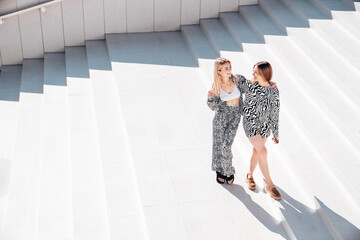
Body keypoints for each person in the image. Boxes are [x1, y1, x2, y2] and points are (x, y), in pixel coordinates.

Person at [238, 61, 281, 200]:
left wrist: (275, 132)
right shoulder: (249, 85)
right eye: (253, 71)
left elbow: (275, 112)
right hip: (250, 123)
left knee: (257, 151)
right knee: (263, 151)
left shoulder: (274, 90)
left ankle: (250, 175)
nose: (253, 74)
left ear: (264, 74)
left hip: (264, 126)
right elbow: (234, 79)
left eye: (256, 72)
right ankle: (270, 184)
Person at [207, 58, 242, 185]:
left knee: (226, 145)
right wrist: (210, 98)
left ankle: (228, 169)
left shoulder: (237, 80)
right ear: (219, 71)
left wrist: (268, 84)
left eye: (230, 67)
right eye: (226, 68)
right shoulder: (216, 86)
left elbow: (251, 85)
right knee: (218, 146)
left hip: (235, 117)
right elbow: (213, 107)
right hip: (221, 117)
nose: (229, 70)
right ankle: (219, 170)